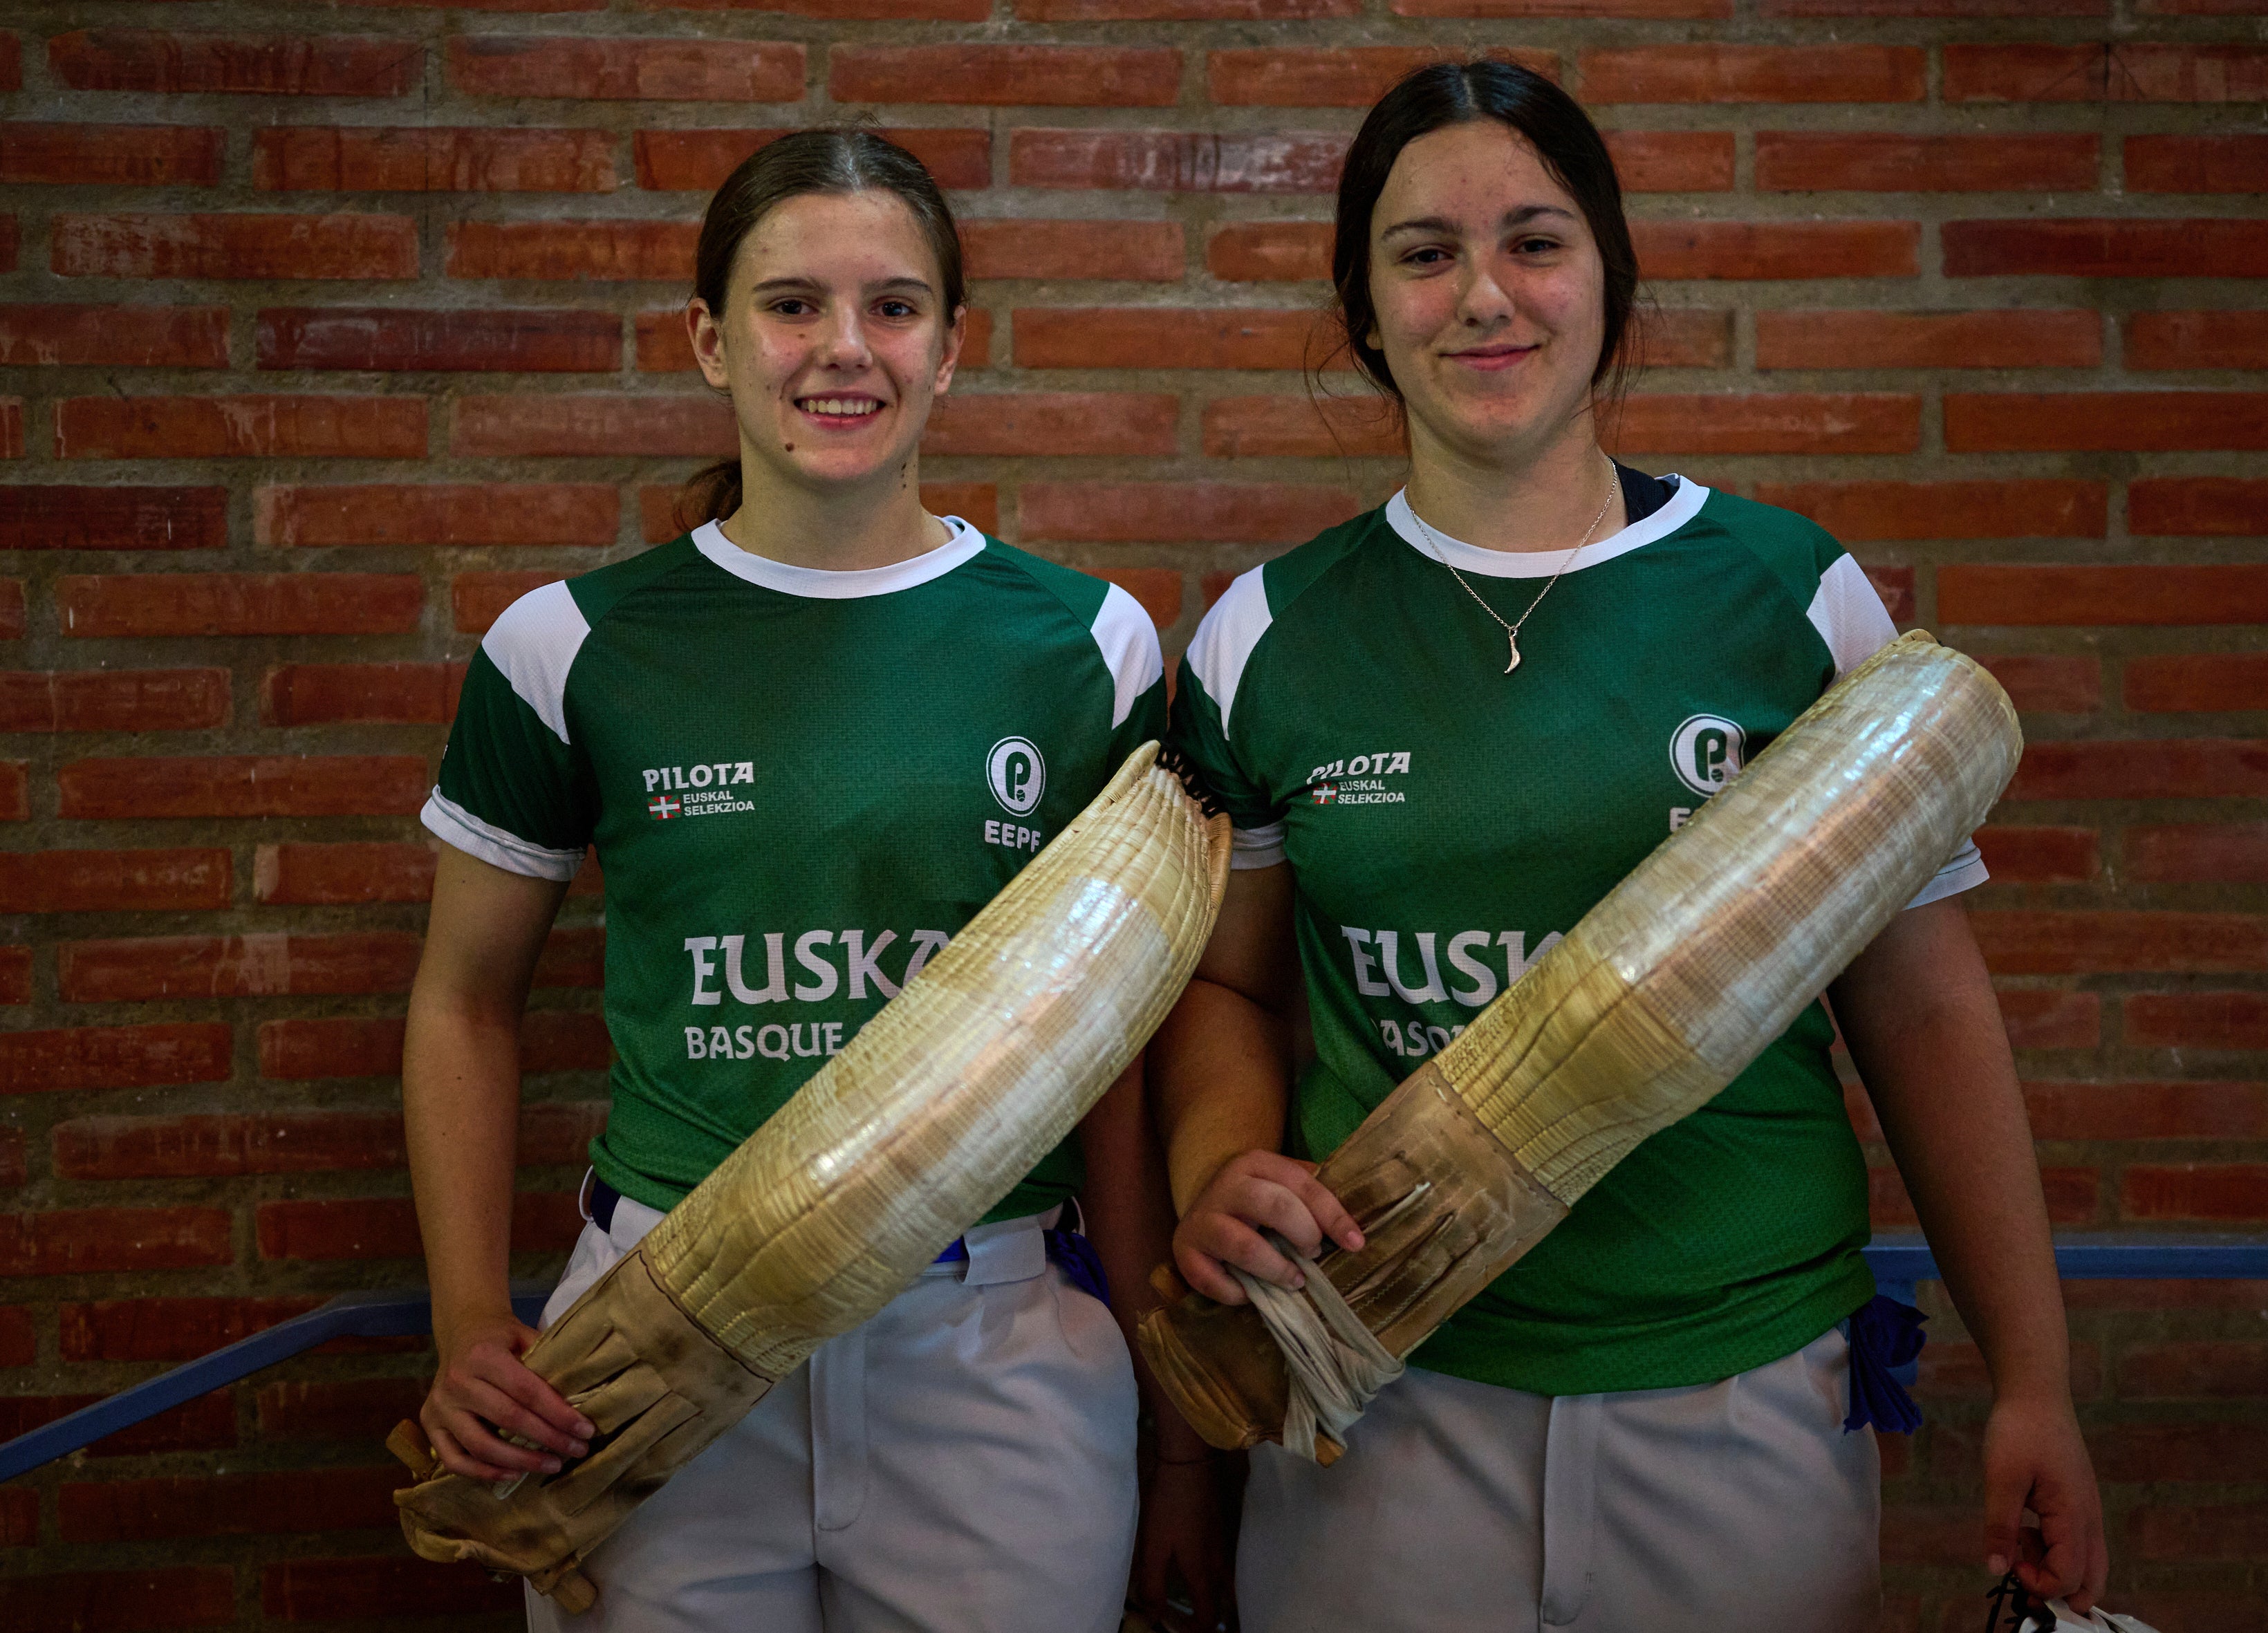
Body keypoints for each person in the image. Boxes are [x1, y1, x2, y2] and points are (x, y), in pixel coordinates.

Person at [1152, 62, 2107, 1633]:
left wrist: (2034, 1379)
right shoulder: (1265, 632)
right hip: (1381, 1389)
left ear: (1610, 281)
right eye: (1424, 254)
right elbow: (1228, 990)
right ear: (1363, 313)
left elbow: (1923, 1006)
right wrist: (1215, 1168)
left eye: (1534, 242)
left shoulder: (1791, 595)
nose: (1484, 295)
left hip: (1741, 1396)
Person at [401, 128, 1221, 1632]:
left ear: (951, 347)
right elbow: (464, 1001)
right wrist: (468, 1320)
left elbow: (1108, 1051)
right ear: (709, 339)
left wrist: (1171, 1425)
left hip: (989, 1335)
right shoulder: (565, 644)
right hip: (657, 1330)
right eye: (791, 305)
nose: (844, 347)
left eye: (893, 306)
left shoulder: (1086, 642)